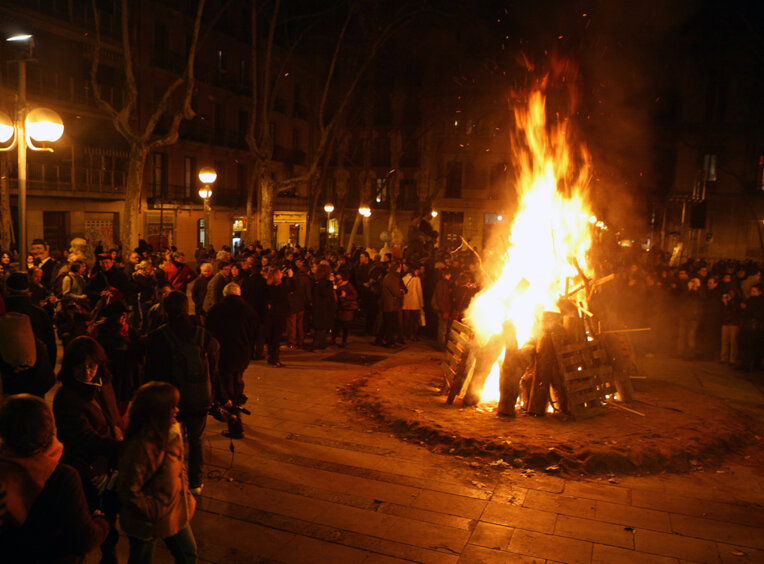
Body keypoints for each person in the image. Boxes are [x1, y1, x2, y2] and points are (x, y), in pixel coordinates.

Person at [0, 394, 110, 562]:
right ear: (48, 427)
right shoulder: (62, 477)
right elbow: (84, 540)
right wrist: (101, 520)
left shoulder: (5, 465)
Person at [53, 336, 123, 563]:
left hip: (108, 463)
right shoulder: (66, 398)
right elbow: (84, 438)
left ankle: (109, 554)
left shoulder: (102, 384)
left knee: (109, 513)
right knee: (86, 519)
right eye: (80, 366)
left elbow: (113, 416)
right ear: (70, 367)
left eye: (92, 365)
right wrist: (122, 447)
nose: (87, 371)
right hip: (85, 468)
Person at [145, 291, 217, 496]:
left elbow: (150, 372)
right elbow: (214, 363)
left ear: (166, 310)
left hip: (170, 399)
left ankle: (172, 479)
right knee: (196, 440)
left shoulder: (159, 336)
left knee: (168, 440)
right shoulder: (202, 334)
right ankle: (196, 482)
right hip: (199, 397)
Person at [118, 382, 197, 564]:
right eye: (172, 407)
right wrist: (154, 510)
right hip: (149, 520)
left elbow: (179, 468)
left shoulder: (171, 432)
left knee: (189, 554)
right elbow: (128, 490)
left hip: (176, 509)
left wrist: (184, 494)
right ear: (157, 412)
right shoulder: (141, 447)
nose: (177, 410)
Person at [205, 282, 259, 408]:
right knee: (238, 376)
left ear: (225, 294)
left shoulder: (216, 309)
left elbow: (208, 331)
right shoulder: (249, 310)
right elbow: (256, 332)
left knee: (226, 377)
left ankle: (228, 402)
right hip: (242, 351)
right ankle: (236, 400)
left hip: (223, 351)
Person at [3, 272, 57, 366]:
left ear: (7, 289)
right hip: (36, 365)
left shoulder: (4, 311)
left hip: (7, 367)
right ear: (28, 288)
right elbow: (50, 344)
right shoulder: (39, 313)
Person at [265, 266, 291, 365]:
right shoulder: (282, 288)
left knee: (272, 337)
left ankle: (271, 356)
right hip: (279, 315)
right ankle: (275, 358)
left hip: (272, 314)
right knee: (276, 338)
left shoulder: (269, 287)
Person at [310, 263, 337, 351]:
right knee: (321, 329)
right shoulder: (323, 283)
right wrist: (331, 283)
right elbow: (326, 293)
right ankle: (316, 346)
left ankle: (322, 345)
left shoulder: (317, 282)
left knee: (323, 329)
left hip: (321, 309)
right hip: (322, 309)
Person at [381, 260, 406, 347]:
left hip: (390, 304)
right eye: (400, 267)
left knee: (387, 324)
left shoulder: (390, 276)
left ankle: (383, 340)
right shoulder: (392, 278)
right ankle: (389, 342)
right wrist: (402, 292)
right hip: (391, 305)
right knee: (390, 325)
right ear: (397, 268)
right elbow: (396, 292)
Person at [334, 270, 358, 347]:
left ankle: (344, 341)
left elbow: (355, 295)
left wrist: (346, 296)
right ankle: (333, 339)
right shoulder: (338, 284)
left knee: (345, 326)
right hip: (340, 308)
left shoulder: (348, 285)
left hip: (346, 308)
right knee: (336, 324)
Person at [402, 263, 425, 340]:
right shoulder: (417, 279)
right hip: (415, 302)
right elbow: (419, 292)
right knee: (415, 320)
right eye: (417, 270)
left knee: (406, 320)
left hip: (406, 302)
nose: (418, 272)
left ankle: (406, 334)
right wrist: (421, 303)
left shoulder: (404, 278)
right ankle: (415, 335)